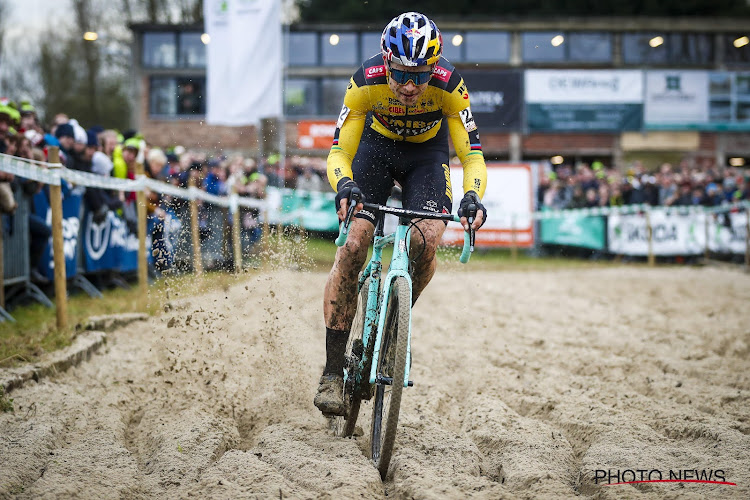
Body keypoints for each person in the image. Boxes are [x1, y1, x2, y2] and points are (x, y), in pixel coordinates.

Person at [314, 12, 487, 415]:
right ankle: (332, 372)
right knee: (354, 244)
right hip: (374, 150)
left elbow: (472, 155)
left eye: (421, 76)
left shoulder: (451, 87)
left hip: (426, 157)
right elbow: (339, 152)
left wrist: (472, 196)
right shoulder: (364, 82)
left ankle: (396, 322)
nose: (410, 86)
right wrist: (344, 184)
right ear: (386, 63)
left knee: (426, 239)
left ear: (435, 69)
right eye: (401, 75)